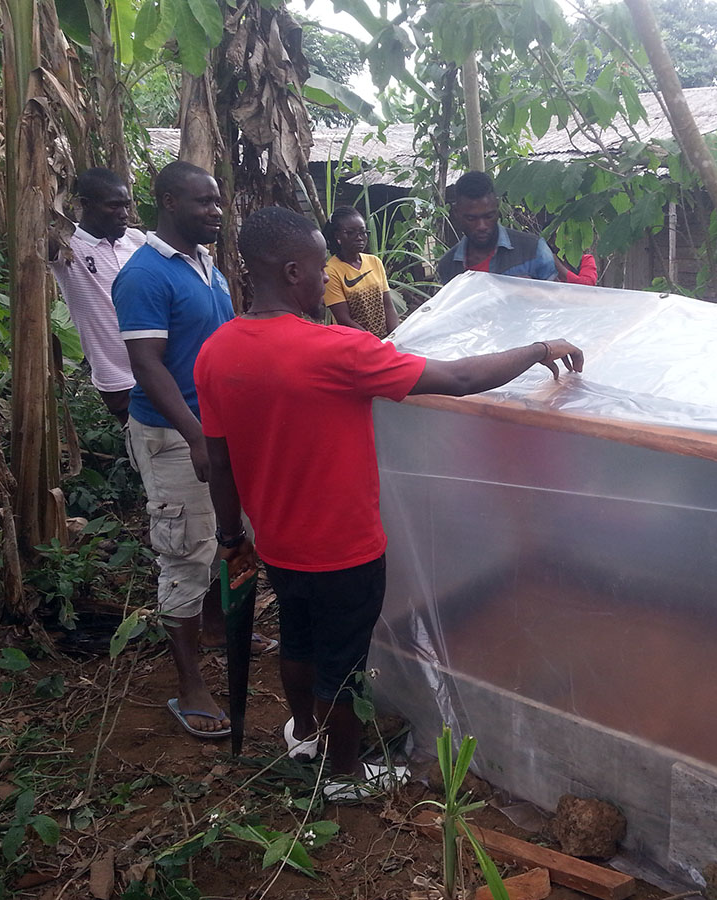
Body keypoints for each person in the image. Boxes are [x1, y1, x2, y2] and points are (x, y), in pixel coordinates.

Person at [194, 206, 583, 796]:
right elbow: (454, 380)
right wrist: (537, 348)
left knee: (298, 638)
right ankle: (346, 775)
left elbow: (218, 461)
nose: (328, 279)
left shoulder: (216, 351)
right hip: (344, 548)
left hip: (276, 541)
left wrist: (231, 537)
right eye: (320, 267)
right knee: (344, 665)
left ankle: (303, 734)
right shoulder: (337, 351)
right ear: (293, 269)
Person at [112, 161, 274, 741]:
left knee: (229, 535)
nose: (216, 210)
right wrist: (195, 432)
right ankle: (190, 686)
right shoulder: (144, 275)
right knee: (184, 549)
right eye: (204, 202)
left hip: (218, 428)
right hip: (173, 434)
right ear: (167, 201)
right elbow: (146, 364)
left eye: (218, 200)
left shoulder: (207, 265)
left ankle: (216, 627)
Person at [49, 168, 145, 424]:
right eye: (114, 206)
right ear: (85, 205)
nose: (124, 215)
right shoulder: (67, 244)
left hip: (162, 366)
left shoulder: (136, 241)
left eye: (126, 206)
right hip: (118, 377)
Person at [436, 171, 561, 284]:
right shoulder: (448, 266)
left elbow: (557, 302)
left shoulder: (533, 249)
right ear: (457, 213)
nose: (481, 226)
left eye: (489, 216)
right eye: (471, 219)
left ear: (497, 207)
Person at [323, 206, 399, 338]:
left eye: (363, 232)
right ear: (337, 236)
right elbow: (343, 319)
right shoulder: (331, 271)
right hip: (356, 342)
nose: (359, 237)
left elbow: (388, 306)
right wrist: (373, 342)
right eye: (351, 232)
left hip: (385, 341)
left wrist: (395, 336)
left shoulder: (374, 262)